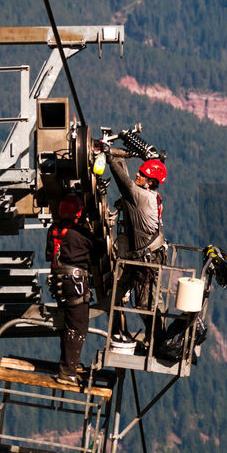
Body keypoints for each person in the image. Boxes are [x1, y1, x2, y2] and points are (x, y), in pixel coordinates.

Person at [107, 153, 167, 343]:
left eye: (142, 174)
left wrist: (109, 157)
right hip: (144, 256)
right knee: (127, 293)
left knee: (145, 302)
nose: (137, 175)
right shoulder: (152, 197)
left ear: (149, 181)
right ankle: (156, 337)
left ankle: (158, 341)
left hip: (145, 259)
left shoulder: (140, 195)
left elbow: (123, 181)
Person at [45, 193, 101, 384]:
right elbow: (99, 252)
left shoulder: (53, 230)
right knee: (78, 326)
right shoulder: (81, 235)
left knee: (69, 323)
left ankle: (70, 364)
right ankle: (67, 371)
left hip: (59, 281)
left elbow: (48, 255)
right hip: (76, 282)